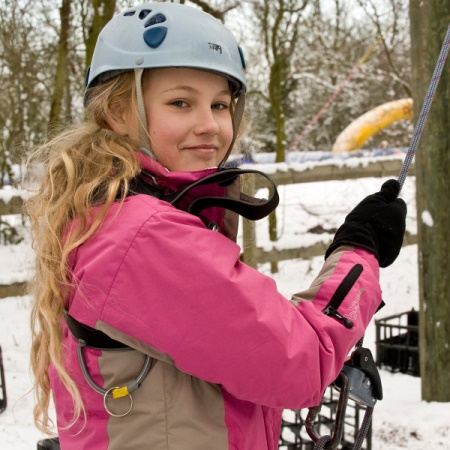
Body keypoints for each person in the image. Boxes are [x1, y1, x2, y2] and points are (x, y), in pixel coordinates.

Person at [26, 3, 407, 450]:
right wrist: (358, 251)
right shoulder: (143, 236)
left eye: (221, 104)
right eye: (181, 103)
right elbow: (302, 363)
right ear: (117, 112)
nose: (209, 125)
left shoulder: (115, 210)